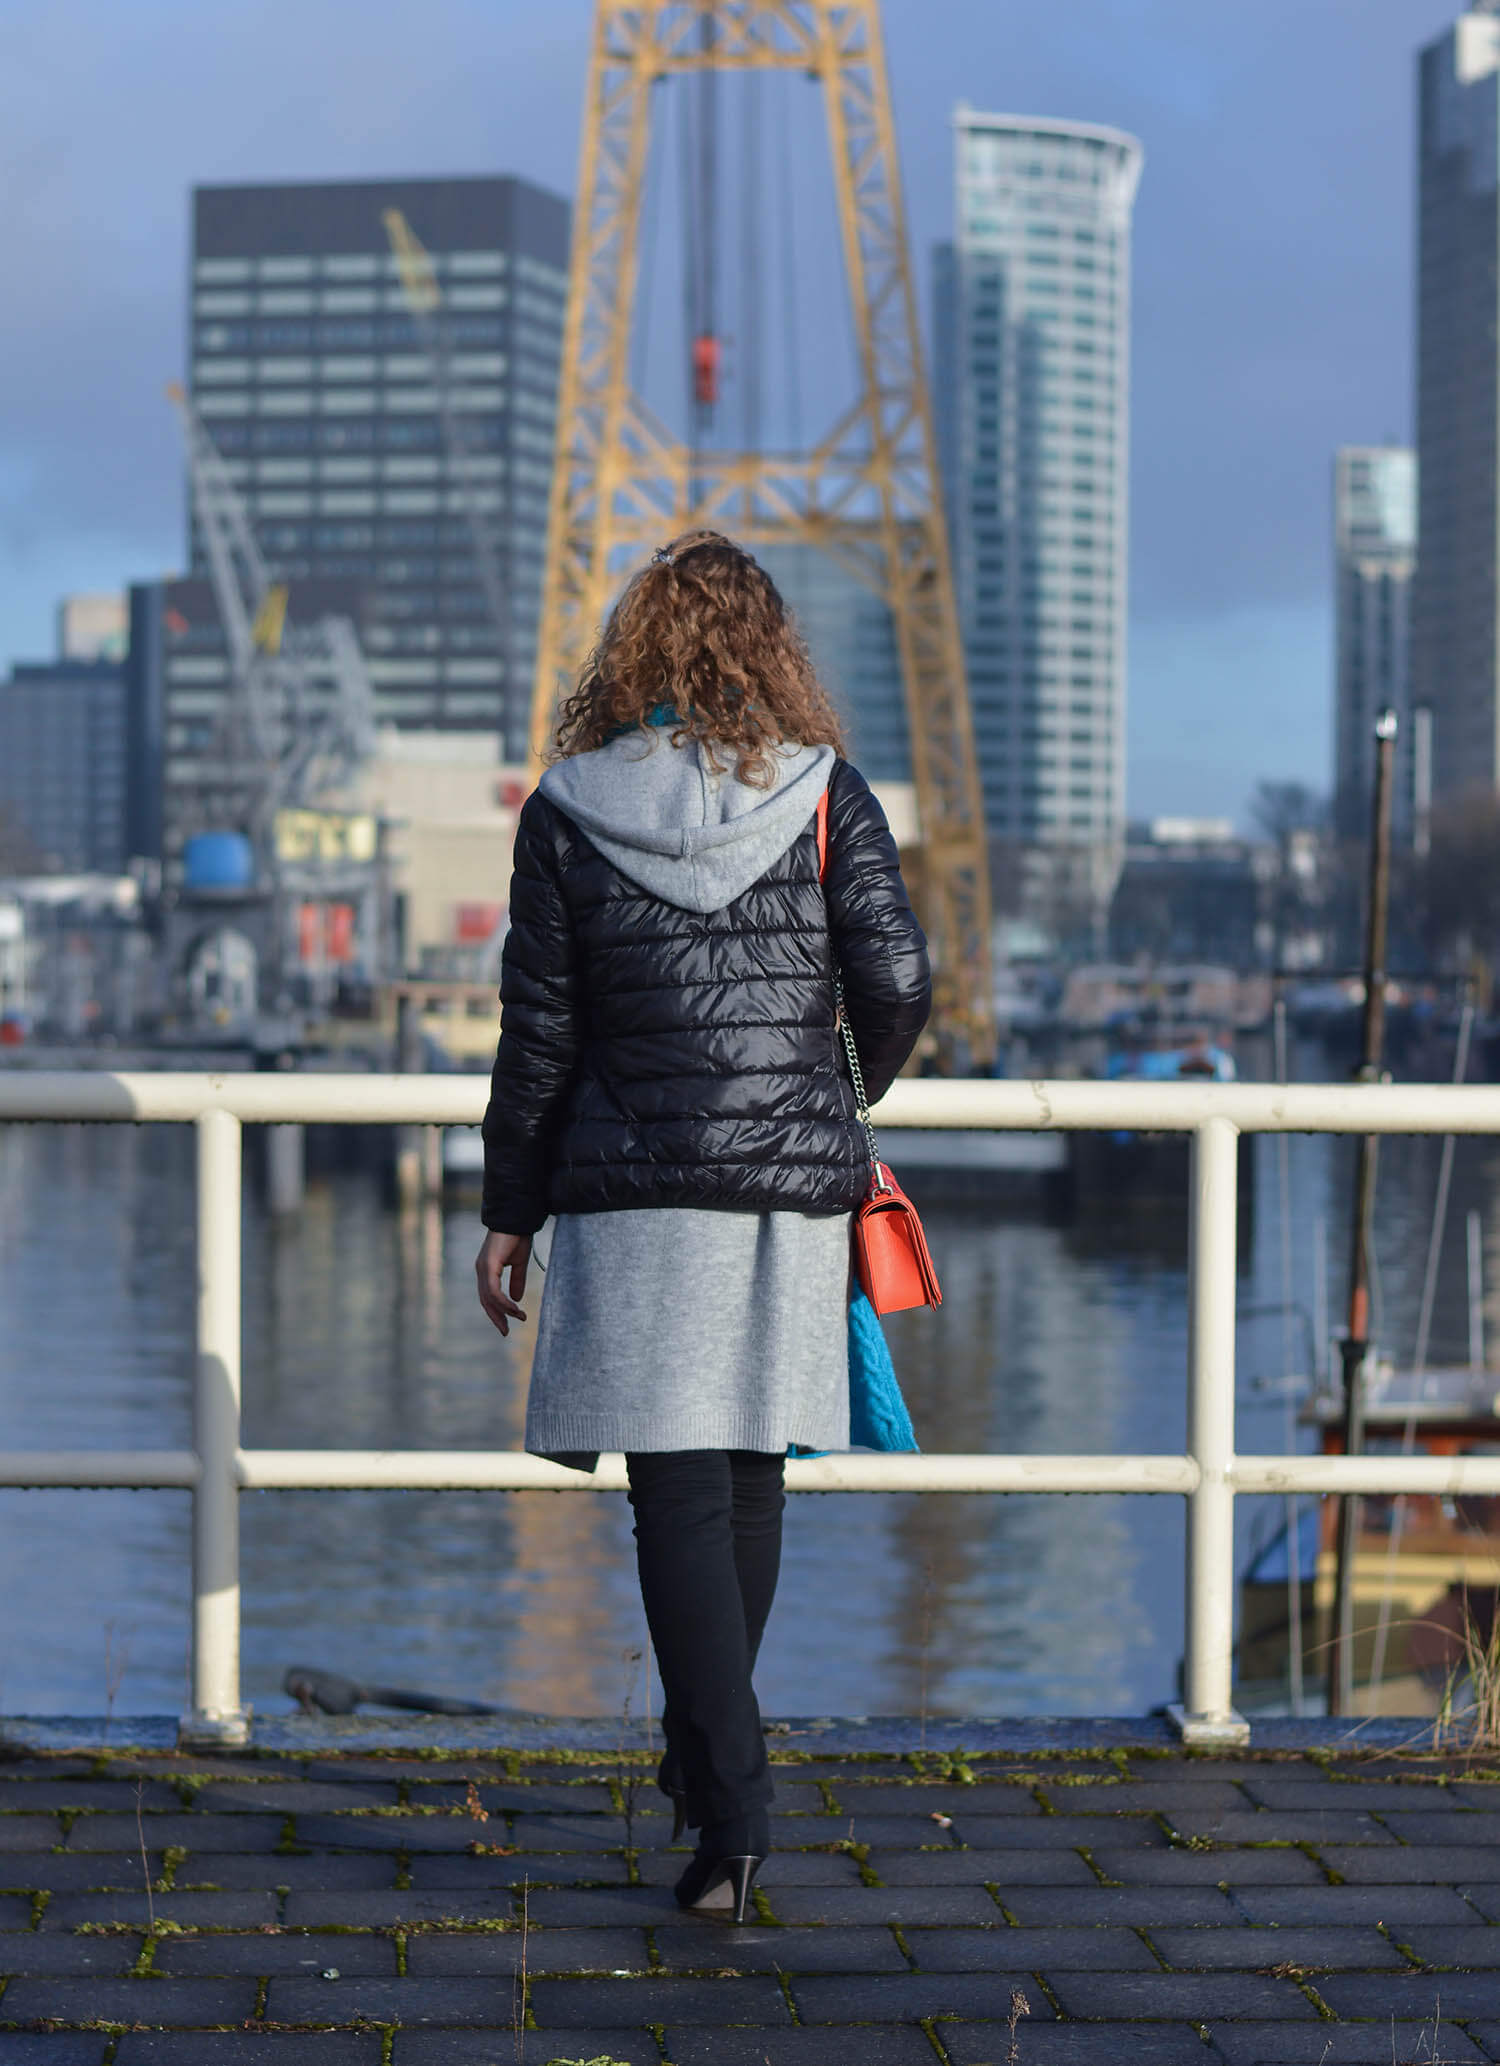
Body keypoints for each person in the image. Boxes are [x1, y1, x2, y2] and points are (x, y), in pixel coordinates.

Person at [475, 528, 930, 1922]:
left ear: (634, 652)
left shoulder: (566, 806)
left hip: (631, 1193)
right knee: (747, 1480)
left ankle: (726, 1799)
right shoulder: (821, 792)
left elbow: (539, 1033)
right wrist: (828, 1091)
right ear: (769, 650)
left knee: (675, 1489)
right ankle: (716, 1784)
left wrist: (509, 1207)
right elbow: (899, 980)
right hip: (786, 1193)